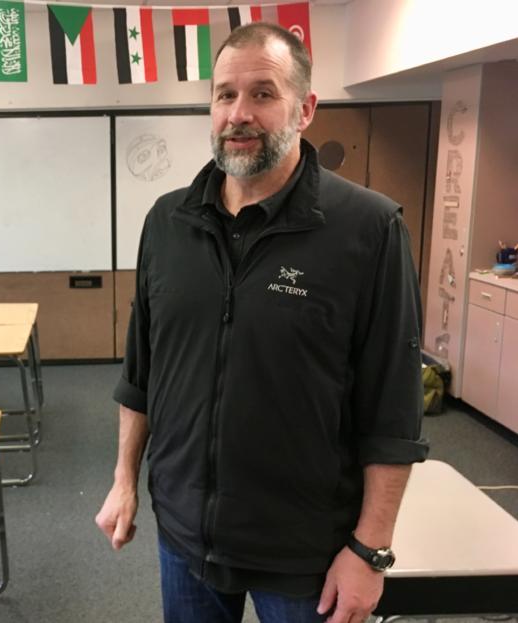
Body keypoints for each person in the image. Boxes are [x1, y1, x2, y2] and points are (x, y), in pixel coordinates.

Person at [95, 21, 429, 623]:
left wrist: (369, 551)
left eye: (263, 94)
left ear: (305, 110)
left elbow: (394, 411)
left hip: (306, 555)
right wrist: (124, 480)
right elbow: (141, 372)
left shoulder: (369, 229)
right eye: (225, 94)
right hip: (185, 535)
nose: (238, 113)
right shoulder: (167, 222)